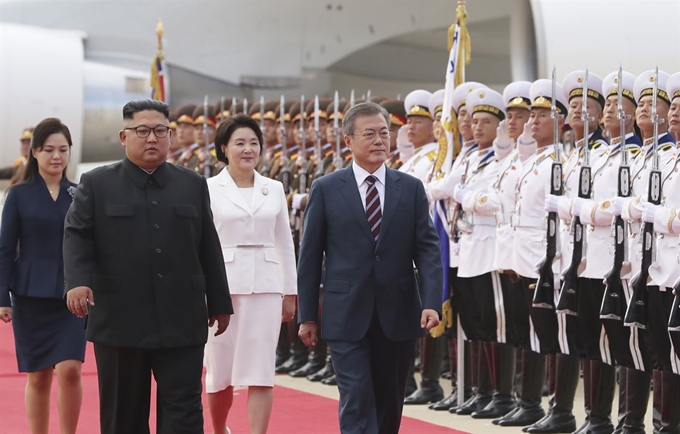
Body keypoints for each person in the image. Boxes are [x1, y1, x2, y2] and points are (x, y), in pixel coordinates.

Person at [63, 98, 233, 434]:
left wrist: (219, 302)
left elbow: (207, 245)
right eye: (142, 131)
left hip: (181, 317)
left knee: (184, 410)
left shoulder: (192, 183)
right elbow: (77, 235)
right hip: (120, 319)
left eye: (160, 131)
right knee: (122, 413)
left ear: (170, 135)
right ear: (124, 137)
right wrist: (77, 282)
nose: (152, 138)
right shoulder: (96, 184)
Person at [297, 101, 443, 434]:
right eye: (369, 134)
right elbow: (309, 257)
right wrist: (308, 315)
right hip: (346, 314)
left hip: (399, 313)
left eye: (384, 133)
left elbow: (428, 249)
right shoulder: (327, 188)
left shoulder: (410, 188)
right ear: (348, 141)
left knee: (389, 402)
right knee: (357, 399)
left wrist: (432, 301)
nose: (379, 140)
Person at [204, 114, 297, 434]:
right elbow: (201, 242)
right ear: (223, 148)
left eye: (254, 143)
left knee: (260, 369)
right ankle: (218, 429)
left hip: (266, 286)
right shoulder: (207, 188)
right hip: (222, 286)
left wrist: (290, 292)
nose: (248, 149)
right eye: (240, 143)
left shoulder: (273, 188)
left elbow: (285, 242)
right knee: (221, 370)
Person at [0, 117, 85, 434]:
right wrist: (1, 297)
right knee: (38, 375)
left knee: (71, 370)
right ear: (34, 152)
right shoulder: (19, 195)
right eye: (48, 149)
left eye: (63, 150)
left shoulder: (80, 194)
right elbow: (5, 249)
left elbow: (92, 244)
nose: (56, 156)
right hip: (30, 295)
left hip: (71, 296)